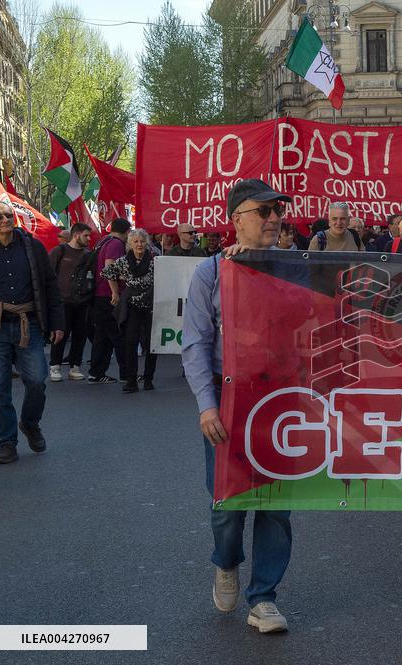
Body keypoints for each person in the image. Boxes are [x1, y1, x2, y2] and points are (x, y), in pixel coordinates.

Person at [182, 178, 293, 634]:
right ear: (236, 219)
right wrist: (207, 406)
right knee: (228, 504)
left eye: (277, 212)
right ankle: (226, 561)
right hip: (228, 402)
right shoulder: (210, 272)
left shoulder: (295, 267)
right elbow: (195, 342)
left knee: (277, 505)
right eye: (262, 211)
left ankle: (263, 597)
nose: (273, 220)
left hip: (283, 401)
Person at [0, 201, 65, 464]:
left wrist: (57, 323)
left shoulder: (33, 246)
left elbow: (50, 286)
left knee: (37, 381)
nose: (5, 220)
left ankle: (30, 423)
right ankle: (6, 443)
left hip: (28, 323)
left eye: (9, 215)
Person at [102, 229, 158, 393]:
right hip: (132, 306)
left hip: (151, 304)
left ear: (146, 243)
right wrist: (115, 292)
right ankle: (131, 380)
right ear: (130, 244)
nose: (139, 244)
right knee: (130, 342)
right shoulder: (123, 261)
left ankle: (148, 379)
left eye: (142, 241)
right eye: (136, 241)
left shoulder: (155, 260)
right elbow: (107, 273)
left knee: (151, 344)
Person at [48, 222, 92, 381]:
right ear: (76, 235)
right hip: (62, 302)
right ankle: (55, 366)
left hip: (82, 302)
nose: (88, 238)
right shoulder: (59, 251)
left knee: (80, 335)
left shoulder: (88, 255)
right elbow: (48, 275)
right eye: (86, 235)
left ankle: (75, 367)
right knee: (60, 335)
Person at [88, 217, 129, 384]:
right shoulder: (116, 244)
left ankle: (96, 372)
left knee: (102, 336)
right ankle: (126, 373)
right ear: (127, 232)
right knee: (118, 334)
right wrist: (115, 292)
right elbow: (109, 268)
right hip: (108, 295)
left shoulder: (103, 241)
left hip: (100, 294)